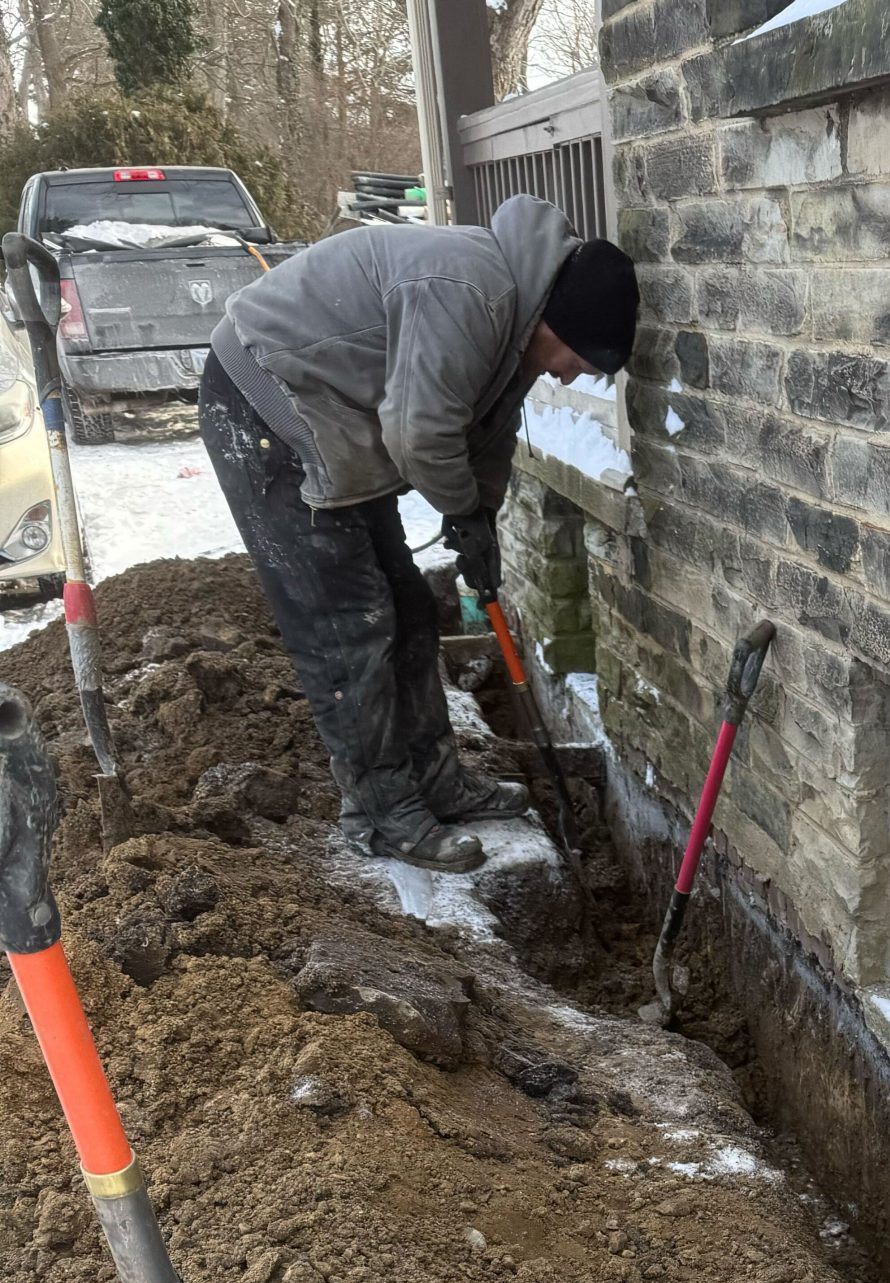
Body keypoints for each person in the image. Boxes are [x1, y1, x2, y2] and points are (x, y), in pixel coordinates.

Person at [198, 197, 638, 872]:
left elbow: (487, 431)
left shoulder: (518, 320)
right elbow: (420, 435)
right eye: (577, 359)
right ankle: (381, 814)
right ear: (557, 322)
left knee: (409, 607)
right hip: (265, 404)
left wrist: (480, 518)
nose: (570, 374)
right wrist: (459, 511)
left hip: (335, 414)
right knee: (350, 625)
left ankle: (436, 781)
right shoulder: (469, 293)